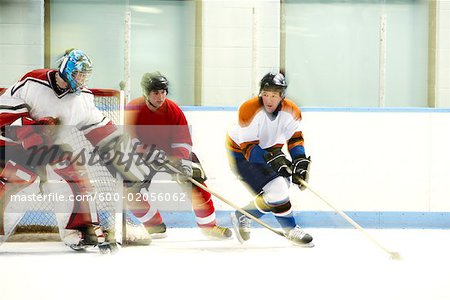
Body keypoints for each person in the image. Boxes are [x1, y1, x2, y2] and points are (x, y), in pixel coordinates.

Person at [0, 49, 165, 252]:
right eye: (79, 73)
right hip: (8, 144)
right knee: (12, 181)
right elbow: (4, 111)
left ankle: (80, 230)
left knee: (74, 173)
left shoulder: (83, 99)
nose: (82, 79)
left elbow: (101, 129)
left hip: (43, 148)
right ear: (66, 71)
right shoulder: (33, 82)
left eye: (86, 75)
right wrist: (31, 130)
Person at [125, 71, 232, 239]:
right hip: (143, 157)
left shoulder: (173, 109)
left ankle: (208, 226)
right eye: (156, 93)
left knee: (195, 178)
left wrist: (178, 159)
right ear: (146, 92)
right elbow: (128, 138)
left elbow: (183, 140)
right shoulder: (134, 108)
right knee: (128, 188)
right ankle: (154, 225)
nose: (160, 97)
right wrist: (147, 152)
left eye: (163, 92)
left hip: (172, 155)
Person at [226, 72, 314, 247]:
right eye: (265, 94)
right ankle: (291, 230)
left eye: (274, 95)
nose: (269, 100)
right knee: (278, 188)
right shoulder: (248, 109)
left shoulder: (291, 111)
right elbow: (249, 148)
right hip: (241, 153)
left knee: (278, 191)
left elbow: (295, 139)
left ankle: (244, 214)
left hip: (271, 151)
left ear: (282, 96)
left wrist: (300, 162)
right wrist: (274, 160)